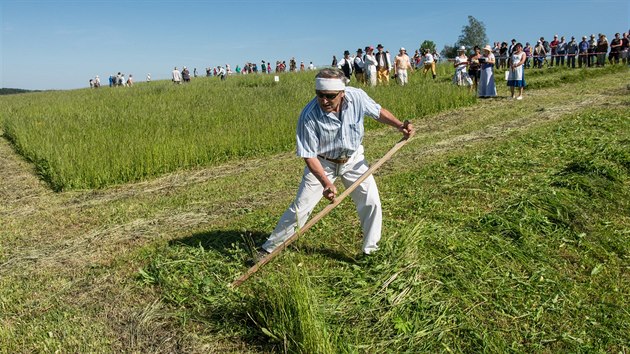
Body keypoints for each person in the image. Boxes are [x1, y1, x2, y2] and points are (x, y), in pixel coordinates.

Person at [256, 68, 414, 259]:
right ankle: (268, 249)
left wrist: (399, 125)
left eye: (330, 96)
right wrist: (326, 183)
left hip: (353, 159)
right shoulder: (309, 116)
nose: (324, 101)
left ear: (342, 93)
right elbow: (309, 154)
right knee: (301, 207)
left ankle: (370, 251)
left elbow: (377, 112)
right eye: (320, 95)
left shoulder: (357, 97)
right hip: (323, 163)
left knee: (371, 201)